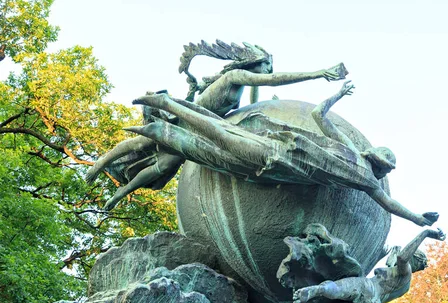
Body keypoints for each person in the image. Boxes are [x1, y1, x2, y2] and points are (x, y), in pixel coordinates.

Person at [127, 81, 439, 226]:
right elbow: (320, 115)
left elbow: (320, 115)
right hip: (276, 155)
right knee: (220, 137)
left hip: (280, 157)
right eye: (386, 166)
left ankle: (163, 123)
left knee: (216, 145)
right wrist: (417, 219)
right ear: (375, 159)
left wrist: (416, 219)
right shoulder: (361, 167)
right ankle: (166, 106)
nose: (385, 172)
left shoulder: (355, 159)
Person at [86, 40, 348, 210]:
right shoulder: (234, 76)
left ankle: (120, 194)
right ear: (254, 63)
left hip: (202, 131)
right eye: (267, 64)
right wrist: (317, 73)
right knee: (143, 141)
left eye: (270, 65)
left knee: (164, 165)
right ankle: (98, 165)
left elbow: (254, 102)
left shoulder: (242, 84)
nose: (269, 69)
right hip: (188, 120)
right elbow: (272, 81)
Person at [260, 228, 446, 303]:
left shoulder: (405, 273)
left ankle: (316, 290)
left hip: (369, 288)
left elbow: (402, 256)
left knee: (334, 288)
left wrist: (426, 233)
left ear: (415, 260)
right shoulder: (403, 285)